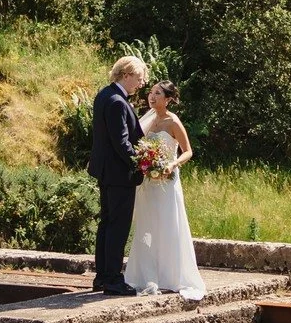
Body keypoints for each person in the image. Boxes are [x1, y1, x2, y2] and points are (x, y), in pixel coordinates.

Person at [125, 79, 206, 300]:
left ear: (168, 99)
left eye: (158, 94)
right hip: (149, 182)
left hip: (167, 180)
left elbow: (188, 151)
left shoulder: (173, 122)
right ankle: (146, 274)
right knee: (147, 226)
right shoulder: (149, 121)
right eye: (151, 93)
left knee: (168, 224)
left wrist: (172, 164)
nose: (152, 97)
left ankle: (170, 275)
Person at [87, 55, 148, 296]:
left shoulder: (104, 95)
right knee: (117, 227)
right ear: (126, 75)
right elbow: (121, 143)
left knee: (106, 225)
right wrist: (141, 163)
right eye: (139, 78)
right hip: (119, 174)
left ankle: (102, 276)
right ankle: (112, 279)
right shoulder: (117, 102)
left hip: (106, 172)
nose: (140, 84)